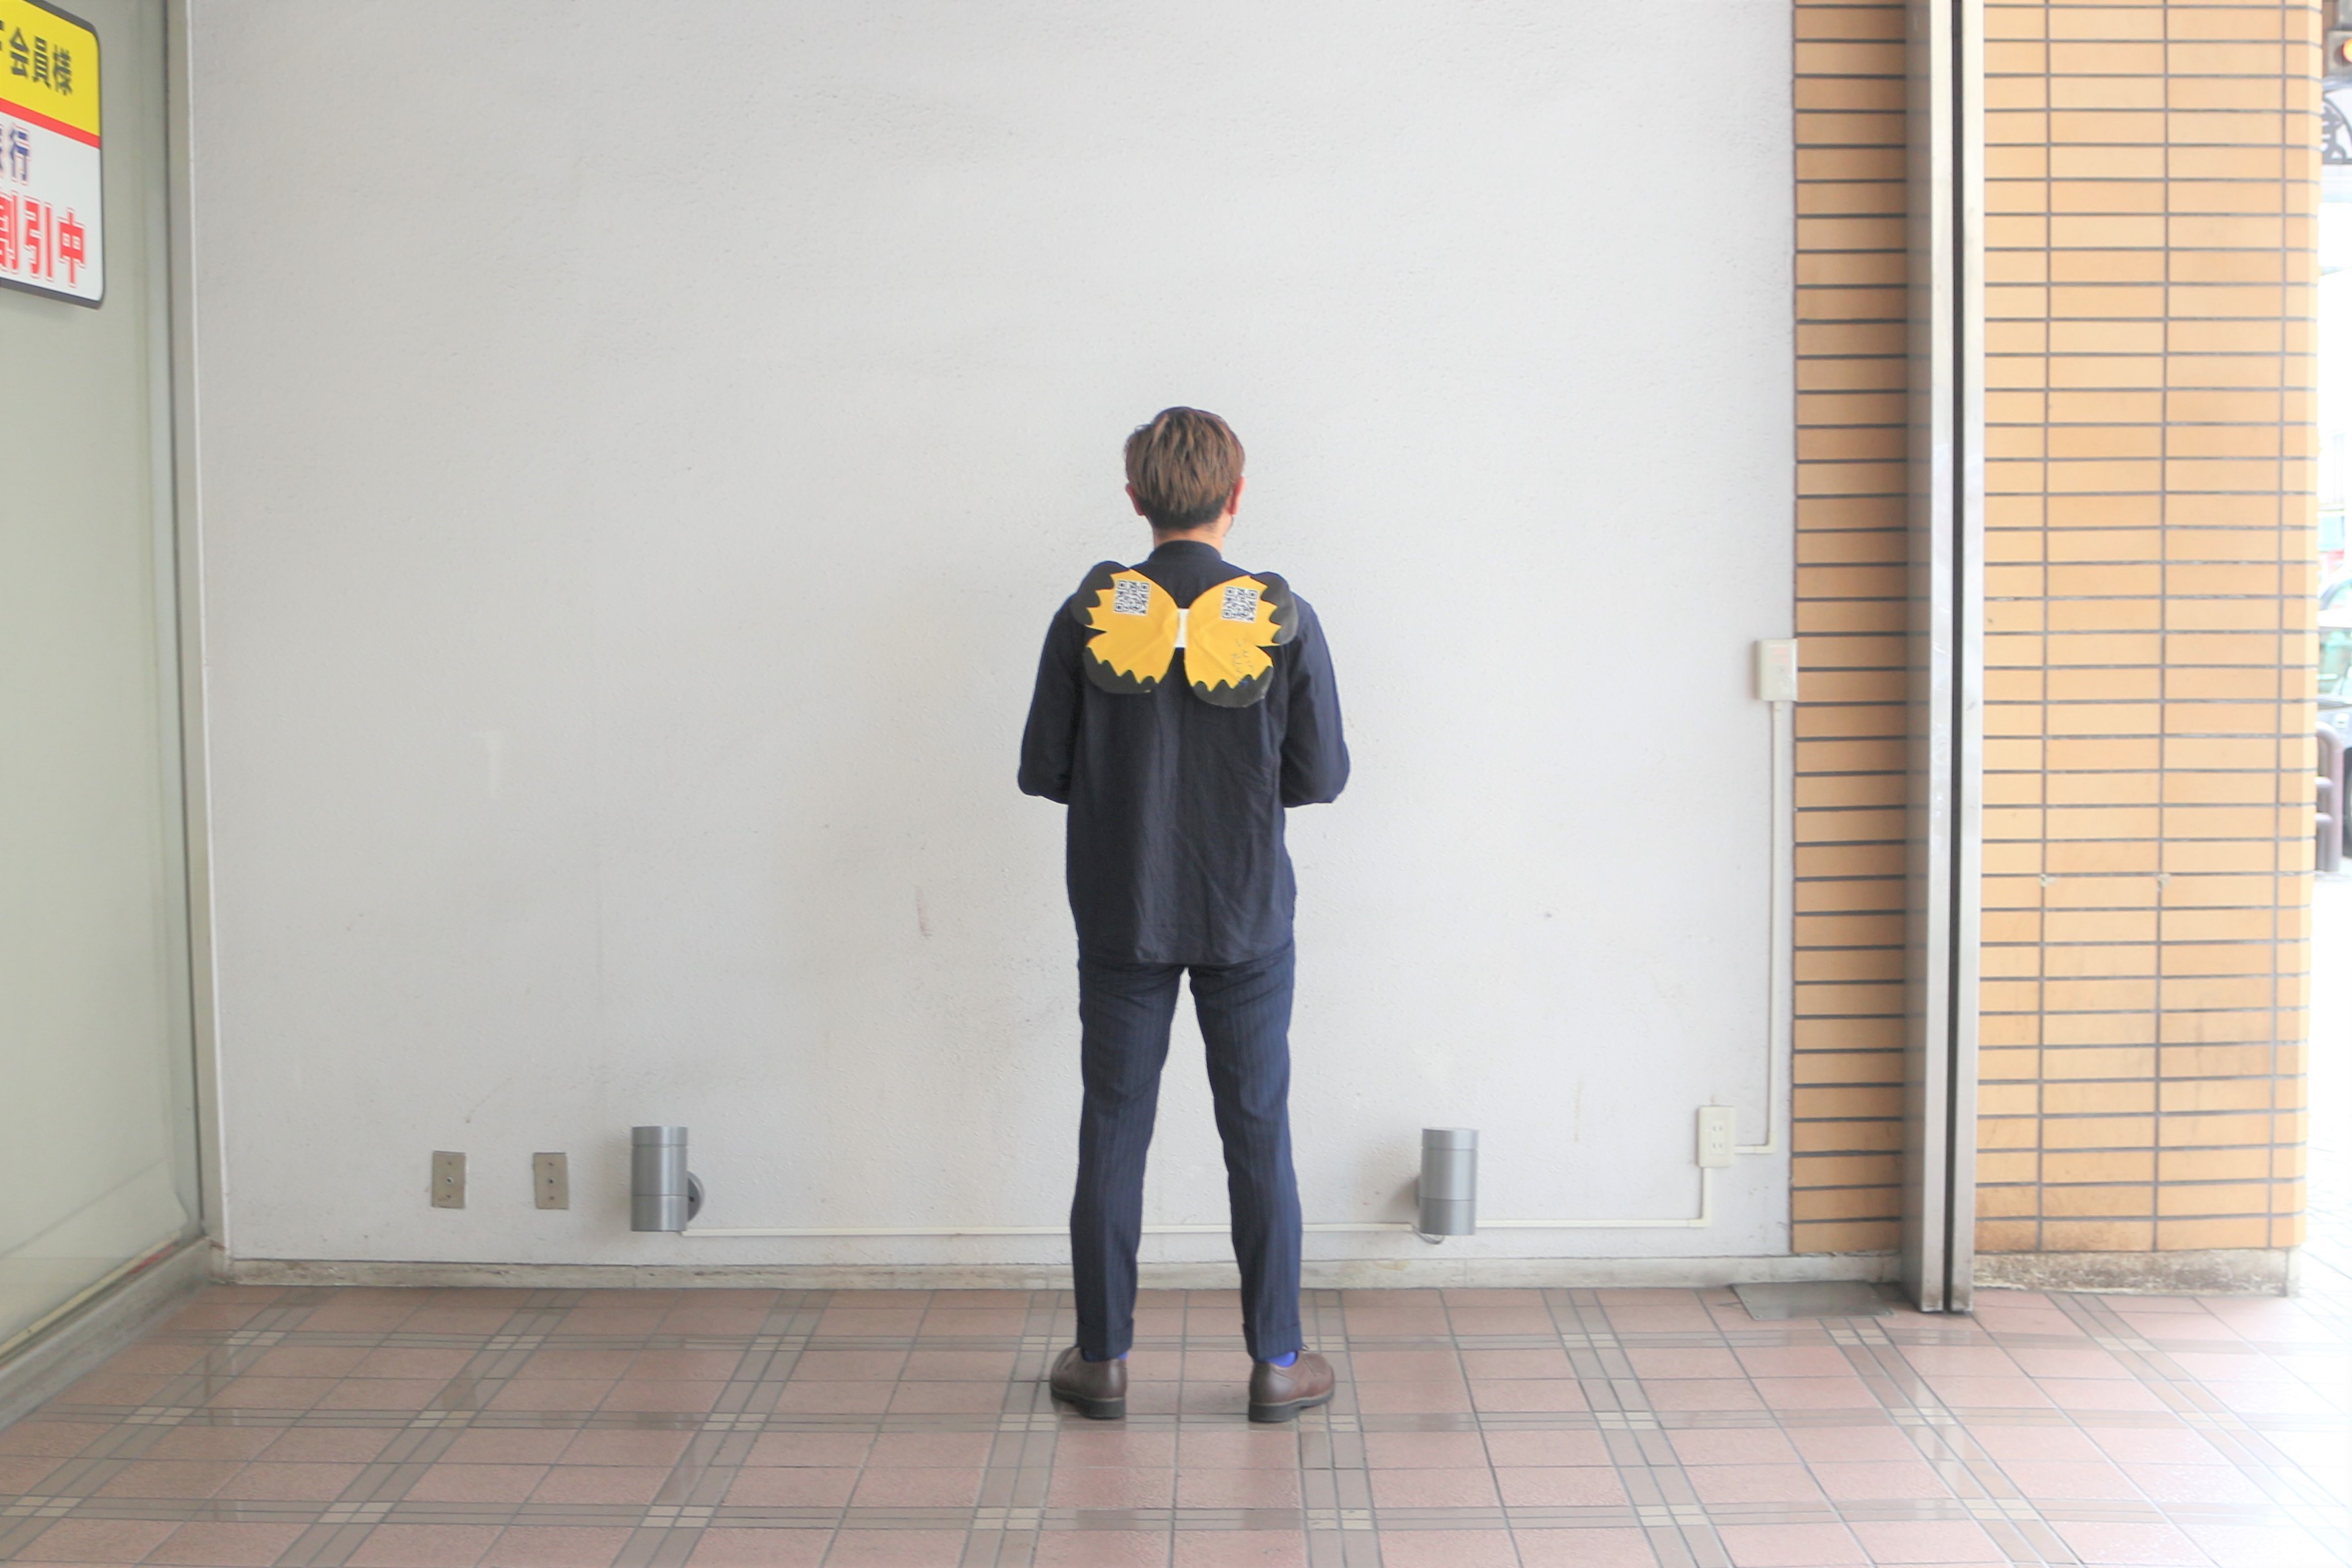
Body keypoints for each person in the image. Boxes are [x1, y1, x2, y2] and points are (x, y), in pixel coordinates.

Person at [1018, 407, 1349, 1422]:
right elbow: (1321, 776)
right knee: (1258, 1132)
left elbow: (1043, 770)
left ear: (1135, 500)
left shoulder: (1088, 616)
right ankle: (1277, 1362)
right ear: (1235, 496)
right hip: (1246, 916)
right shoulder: (1281, 619)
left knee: (1114, 1128)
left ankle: (1103, 1361)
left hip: (1123, 912)